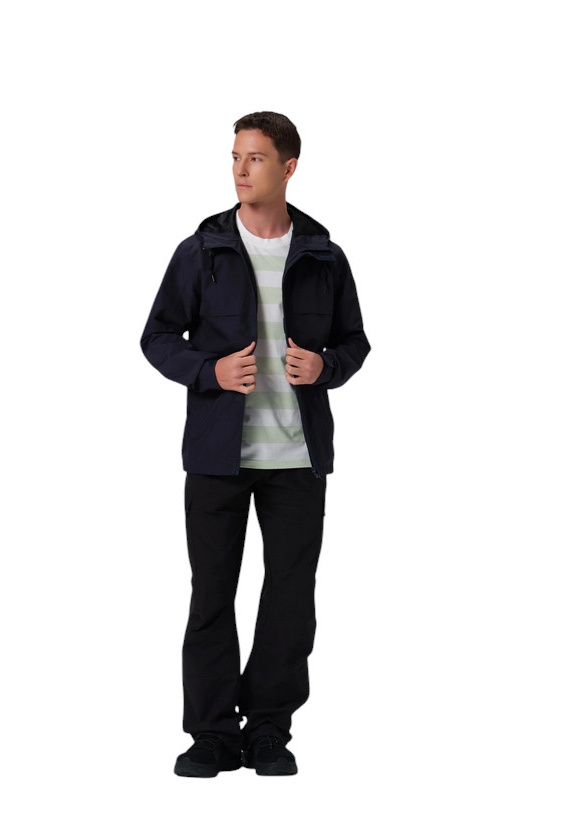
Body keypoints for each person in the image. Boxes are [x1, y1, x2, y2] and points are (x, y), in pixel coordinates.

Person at [140, 112, 370, 777]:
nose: (241, 170)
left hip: (297, 457)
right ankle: (212, 734)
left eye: (257, 159)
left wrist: (325, 366)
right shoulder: (202, 250)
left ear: (289, 168)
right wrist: (209, 371)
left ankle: (269, 728)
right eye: (236, 157)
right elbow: (158, 337)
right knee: (212, 595)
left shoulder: (324, 255)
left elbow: (355, 342)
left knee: (290, 601)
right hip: (218, 456)